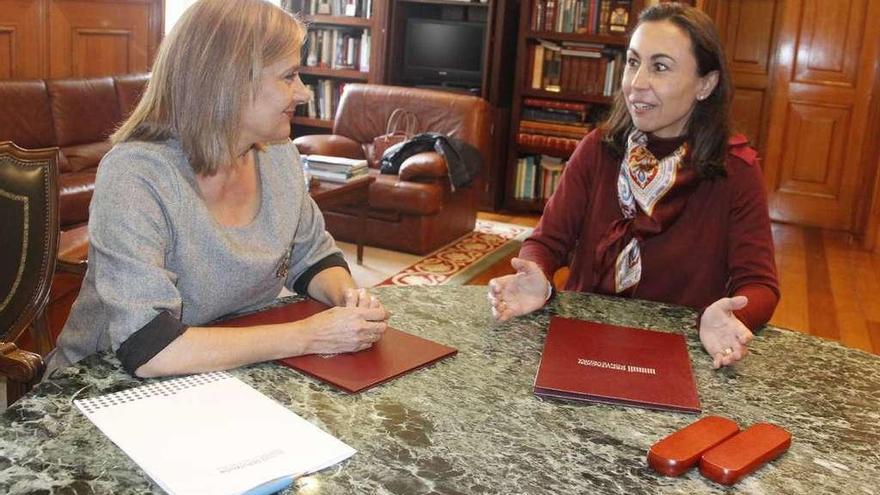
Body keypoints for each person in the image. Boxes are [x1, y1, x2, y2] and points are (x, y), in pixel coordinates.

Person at [46, 0, 389, 378]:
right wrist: (308, 336)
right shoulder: (136, 176)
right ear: (229, 81)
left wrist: (346, 298)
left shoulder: (279, 157)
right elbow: (148, 349)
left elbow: (313, 256)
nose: (304, 93)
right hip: (97, 385)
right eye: (289, 76)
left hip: (218, 372)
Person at [488, 3, 779, 369]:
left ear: (706, 84)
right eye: (632, 62)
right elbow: (547, 243)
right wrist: (537, 276)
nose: (637, 83)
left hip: (681, 354)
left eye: (660, 67)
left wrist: (733, 317)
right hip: (581, 344)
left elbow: (760, 285)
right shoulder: (597, 149)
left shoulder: (735, 170)